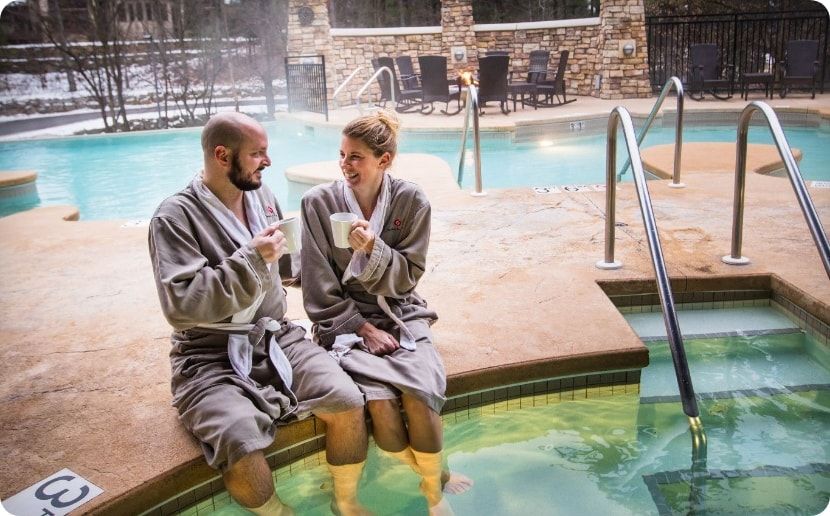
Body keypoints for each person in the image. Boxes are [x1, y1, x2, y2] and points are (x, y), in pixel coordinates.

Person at [148, 112, 371, 516]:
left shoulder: (262, 196)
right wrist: (252, 258)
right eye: (258, 154)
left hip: (276, 336)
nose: (267, 162)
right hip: (208, 351)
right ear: (222, 155)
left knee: (348, 399)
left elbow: (287, 271)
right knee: (238, 437)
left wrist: (344, 254)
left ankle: (346, 501)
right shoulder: (174, 217)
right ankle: (277, 513)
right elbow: (180, 307)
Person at [300, 111, 472, 515]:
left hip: (400, 311)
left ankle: (433, 491)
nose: (345, 165)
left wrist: (372, 250)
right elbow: (316, 285)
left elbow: (409, 277)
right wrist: (361, 328)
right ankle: (431, 475)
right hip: (343, 322)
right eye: (342, 155)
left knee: (420, 395)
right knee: (379, 403)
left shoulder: (411, 201)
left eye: (356, 157)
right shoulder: (318, 203)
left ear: (385, 159)